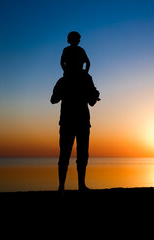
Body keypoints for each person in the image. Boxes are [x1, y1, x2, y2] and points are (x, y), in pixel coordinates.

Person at [51, 31, 100, 193]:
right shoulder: (80, 79)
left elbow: (53, 100)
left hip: (74, 121)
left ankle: (67, 186)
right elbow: (54, 99)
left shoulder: (72, 79)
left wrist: (93, 96)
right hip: (76, 121)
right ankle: (71, 186)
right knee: (73, 155)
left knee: (71, 154)